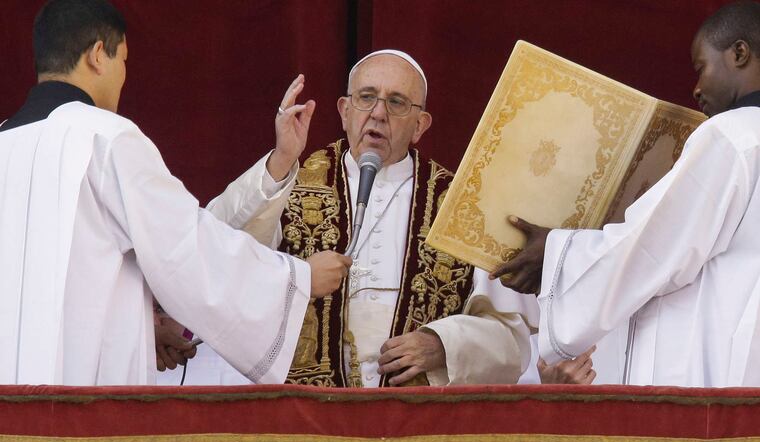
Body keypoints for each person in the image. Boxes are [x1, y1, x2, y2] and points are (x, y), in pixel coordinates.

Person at [0, 0, 351, 385]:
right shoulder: (106, 137)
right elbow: (186, 248)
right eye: (124, 62)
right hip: (79, 398)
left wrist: (145, 326)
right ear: (99, 55)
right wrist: (296, 279)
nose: (123, 76)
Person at [160, 50, 546, 387]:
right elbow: (214, 252)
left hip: (419, 421)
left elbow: (509, 336)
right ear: (345, 111)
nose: (378, 113)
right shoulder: (292, 179)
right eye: (367, 98)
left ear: (420, 126)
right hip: (309, 414)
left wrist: (443, 344)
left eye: (397, 102)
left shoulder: (461, 204)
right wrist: (281, 160)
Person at [492, 1, 760, 387]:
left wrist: (555, 257)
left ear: (739, 53)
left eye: (701, 67)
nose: (696, 88)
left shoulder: (731, 136)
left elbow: (656, 247)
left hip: (709, 375)